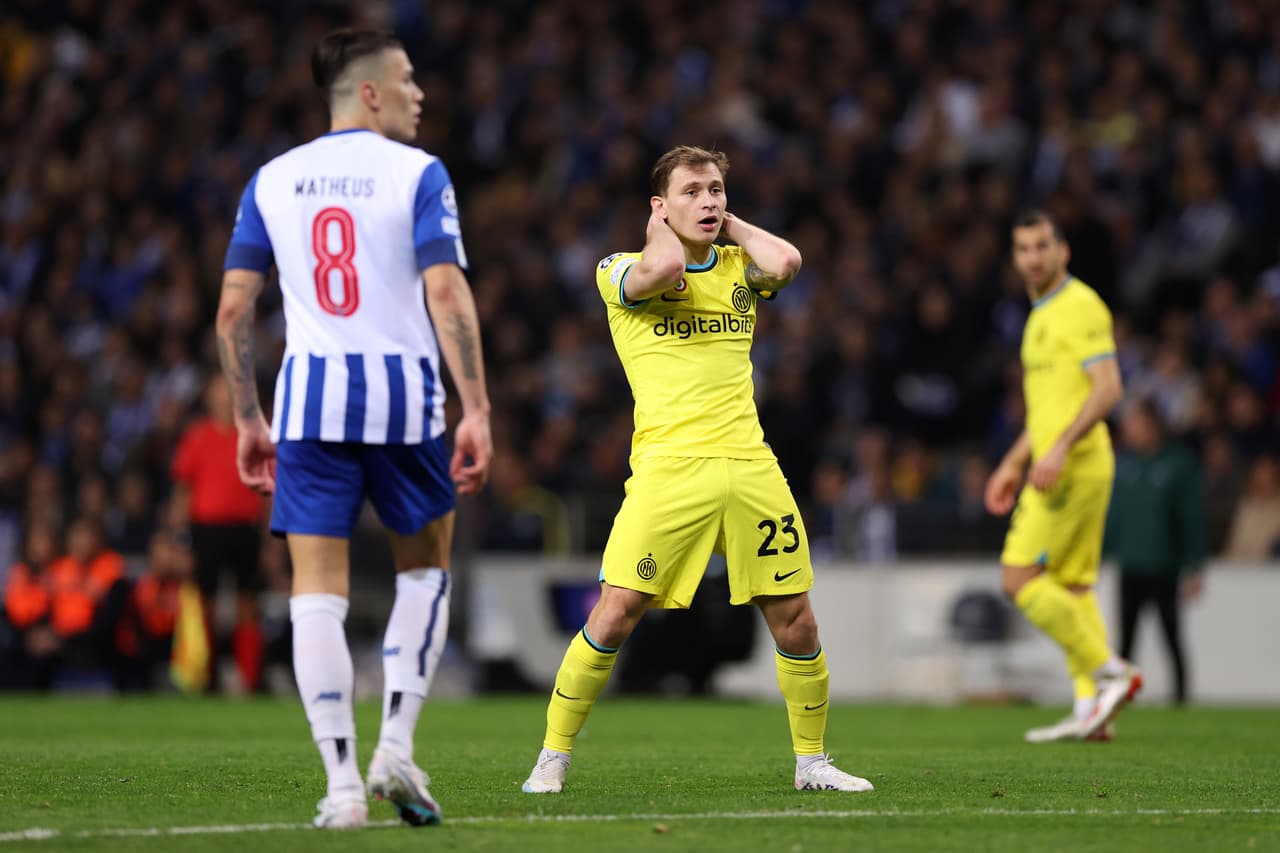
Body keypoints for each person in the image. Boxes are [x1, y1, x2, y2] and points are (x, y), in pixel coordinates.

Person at [521, 145, 873, 796]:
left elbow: (789, 261)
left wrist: (728, 225)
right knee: (618, 611)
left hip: (749, 463)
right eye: (692, 191)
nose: (709, 200)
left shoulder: (742, 264)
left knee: (796, 616)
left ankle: (812, 762)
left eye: (716, 189)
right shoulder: (618, 268)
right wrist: (666, 230)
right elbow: (659, 271)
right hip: (668, 467)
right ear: (658, 206)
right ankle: (553, 755)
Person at [217, 29, 492, 830]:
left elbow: (234, 308)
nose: (420, 93)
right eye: (407, 80)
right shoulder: (419, 174)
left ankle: (342, 789)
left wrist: (247, 417)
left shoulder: (272, 179)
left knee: (315, 596)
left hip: (307, 405)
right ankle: (396, 747)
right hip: (404, 400)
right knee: (425, 571)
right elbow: (445, 291)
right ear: (368, 92)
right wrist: (475, 406)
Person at [984, 210, 1143, 744]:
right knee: (1072, 587)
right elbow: (1049, 407)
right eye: (1023, 248)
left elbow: (1108, 389)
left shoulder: (1080, 306)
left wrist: (1056, 452)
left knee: (1019, 578)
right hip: (1064, 460)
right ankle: (1092, 709)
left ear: (1063, 251)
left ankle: (1111, 672)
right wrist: (1015, 459)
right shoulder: (1039, 315)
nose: (1033, 257)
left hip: (1075, 466)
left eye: (1042, 246)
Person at [1105, 399, 1207, 704]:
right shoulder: (1124, 466)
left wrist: (1194, 566)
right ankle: (1119, 696)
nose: (1129, 432)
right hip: (1130, 564)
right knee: (1126, 638)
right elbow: (1113, 517)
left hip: (1164, 565)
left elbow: (1193, 518)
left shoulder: (1178, 464)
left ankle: (1180, 696)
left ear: (1150, 425)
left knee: (1171, 635)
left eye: (1134, 425)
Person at [171, 375, 266, 692]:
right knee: (205, 606)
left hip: (246, 529)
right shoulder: (197, 437)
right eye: (219, 393)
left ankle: (249, 680)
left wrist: (270, 539)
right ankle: (205, 678)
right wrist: (182, 540)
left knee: (248, 606)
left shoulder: (254, 435)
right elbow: (184, 491)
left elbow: (268, 489)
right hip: (206, 530)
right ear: (209, 399)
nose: (225, 399)